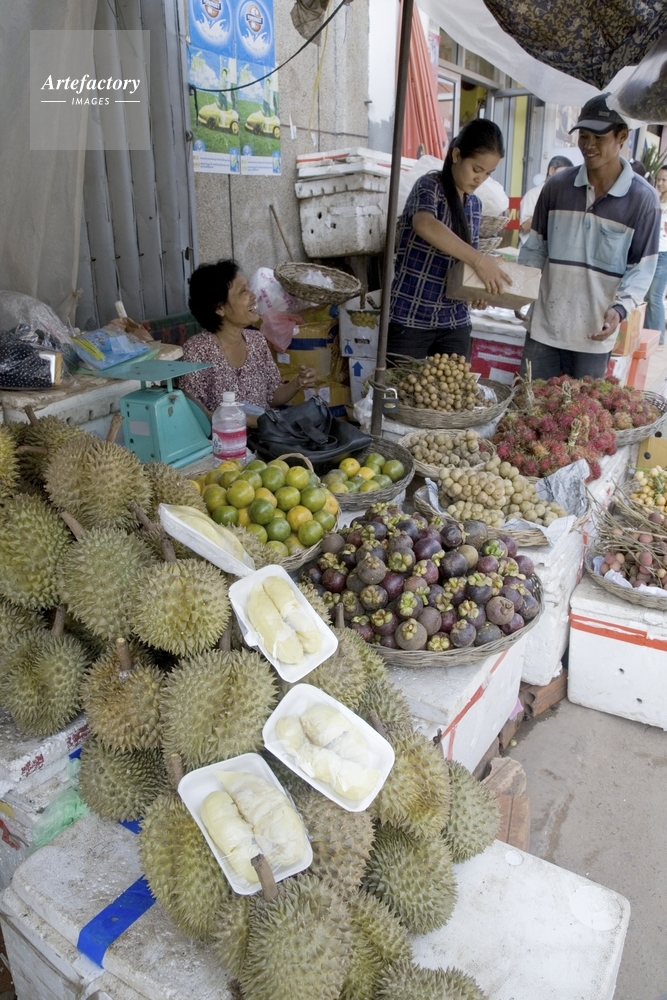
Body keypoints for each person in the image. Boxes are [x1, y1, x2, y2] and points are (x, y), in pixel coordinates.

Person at [519, 94, 661, 380]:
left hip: (593, 334)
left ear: (622, 136)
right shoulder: (556, 186)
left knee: (584, 408)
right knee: (528, 401)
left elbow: (641, 269)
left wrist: (620, 309)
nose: (588, 145)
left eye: (598, 137)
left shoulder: (643, 200)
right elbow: (535, 249)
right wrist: (522, 293)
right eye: (583, 136)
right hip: (544, 329)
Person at [388, 118, 511, 361]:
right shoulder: (429, 186)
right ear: (456, 155)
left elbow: (463, 261)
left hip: (455, 322)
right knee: (401, 385)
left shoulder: (474, 205)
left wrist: (476, 290)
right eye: (476, 169)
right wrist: (480, 262)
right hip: (411, 318)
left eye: (488, 173)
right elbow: (425, 224)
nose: (480, 179)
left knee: (454, 386)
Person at [180, 260, 317, 419]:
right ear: (220, 308)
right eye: (243, 291)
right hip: (223, 435)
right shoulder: (197, 351)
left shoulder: (257, 340)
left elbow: (272, 395)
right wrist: (242, 421)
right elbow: (193, 414)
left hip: (263, 433)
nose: (253, 295)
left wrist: (297, 383)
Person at [519, 155, 573, 245]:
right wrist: (549, 209)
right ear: (551, 170)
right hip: (532, 249)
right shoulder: (533, 195)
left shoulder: (564, 197)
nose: (565, 179)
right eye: (564, 174)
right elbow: (524, 226)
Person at [645, 165, 667, 344]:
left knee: (654, 296)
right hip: (648, 252)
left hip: (663, 254)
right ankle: (645, 335)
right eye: (658, 179)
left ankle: (658, 338)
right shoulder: (653, 199)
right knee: (645, 296)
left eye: (664, 180)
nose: (660, 183)